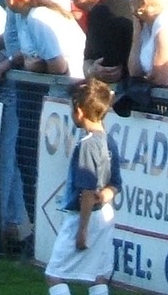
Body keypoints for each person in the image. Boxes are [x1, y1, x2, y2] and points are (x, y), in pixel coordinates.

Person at [44, 79, 121, 295]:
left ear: (78, 111)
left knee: (54, 273)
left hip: (83, 216)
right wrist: (105, 195)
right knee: (98, 276)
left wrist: (82, 231)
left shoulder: (87, 144)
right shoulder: (109, 140)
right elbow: (116, 183)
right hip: (104, 215)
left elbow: (86, 192)